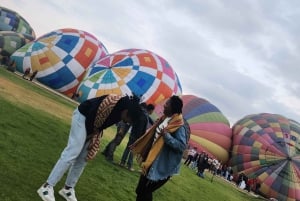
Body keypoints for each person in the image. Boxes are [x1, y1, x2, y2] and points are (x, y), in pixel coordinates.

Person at [37, 94, 144, 201]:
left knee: (84, 156)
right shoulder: (112, 103)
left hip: (94, 127)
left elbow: (102, 125)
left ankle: (67, 189)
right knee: (73, 151)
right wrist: (89, 135)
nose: (127, 122)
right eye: (128, 120)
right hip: (82, 116)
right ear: (126, 112)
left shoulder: (122, 112)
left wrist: (93, 136)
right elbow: (92, 115)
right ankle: (46, 187)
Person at [130, 95, 188, 201]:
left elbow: (181, 146)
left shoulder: (179, 126)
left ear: (173, 107)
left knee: (143, 192)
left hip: (162, 166)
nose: (164, 105)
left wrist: (167, 136)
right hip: (151, 160)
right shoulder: (163, 119)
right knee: (141, 191)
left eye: (167, 104)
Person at [119, 103, 148, 171]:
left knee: (128, 148)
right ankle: (129, 166)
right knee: (133, 150)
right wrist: (140, 137)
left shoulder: (138, 114)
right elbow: (141, 128)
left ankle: (122, 162)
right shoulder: (143, 116)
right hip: (137, 136)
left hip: (133, 133)